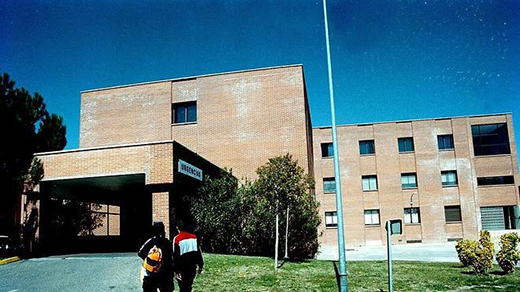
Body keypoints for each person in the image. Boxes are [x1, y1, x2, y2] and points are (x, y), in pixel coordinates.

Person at [138, 221, 175, 292]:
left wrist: (149, 260)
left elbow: (140, 253)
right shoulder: (168, 243)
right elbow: (173, 256)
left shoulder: (150, 242)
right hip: (166, 273)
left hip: (151, 273)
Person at [173, 220, 204, 292]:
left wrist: (177, 271)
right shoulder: (194, 237)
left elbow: (176, 256)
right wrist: (201, 265)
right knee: (189, 286)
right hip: (192, 268)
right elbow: (199, 253)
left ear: (177, 228)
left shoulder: (177, 239)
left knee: (182, 288)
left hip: (182, 269)